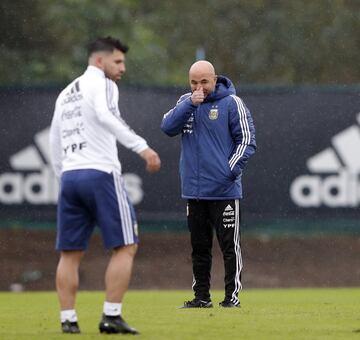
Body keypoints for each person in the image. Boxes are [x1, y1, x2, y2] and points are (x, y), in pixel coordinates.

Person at [49, 36, 161, 334]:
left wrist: (63, 176)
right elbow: (105, 115)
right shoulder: (104, 84)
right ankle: (111, 316)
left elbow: (54, 141)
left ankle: (68, 320)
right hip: (100, 174)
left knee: (70, 254)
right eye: (118, 61)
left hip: (70, 178)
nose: (122, 68)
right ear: (100, 61)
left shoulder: (65, 93)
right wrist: (142, 147)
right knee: (126, 246)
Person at [161, 60, 256, 308]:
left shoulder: (232, 103)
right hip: (195, 192)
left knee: (229, 248)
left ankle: (231, 299)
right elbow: (167, 127)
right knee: (199, 248)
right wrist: (190, 105)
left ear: (215, 79)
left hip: (224, 191)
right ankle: (201, 297)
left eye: (204, 81)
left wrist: (228, 171)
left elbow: (246, 141)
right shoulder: (186, 102)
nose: (199, 87)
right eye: (194, 82)